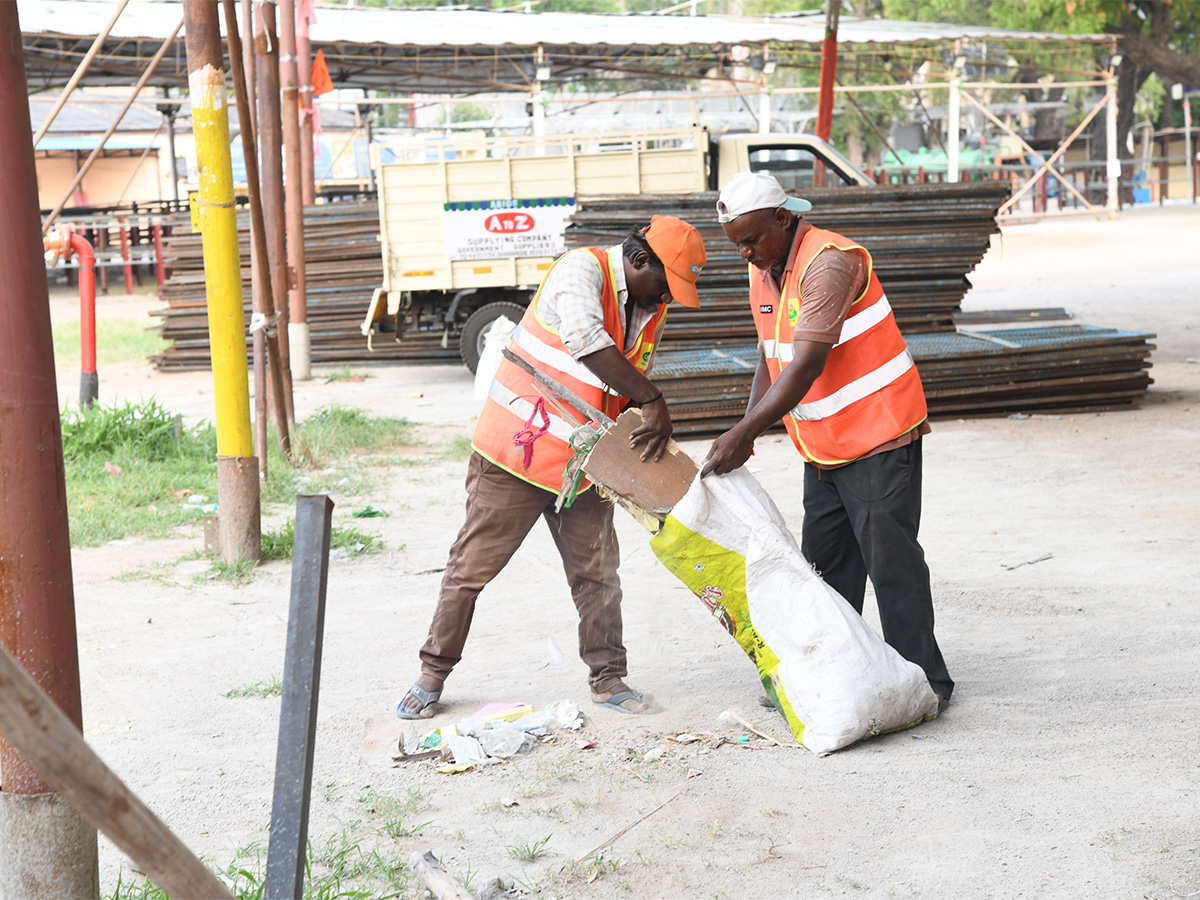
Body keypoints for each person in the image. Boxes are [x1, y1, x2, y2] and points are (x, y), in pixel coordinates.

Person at [398, 216, 707, 719]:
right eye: (667, 285)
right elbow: (586, 340)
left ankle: (609, 679)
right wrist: (653, 399)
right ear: (640, 260)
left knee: (598, 574)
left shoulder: (651, 308)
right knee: (469, 571)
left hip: (584, 464)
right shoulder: (579, 271)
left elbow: (621, 387)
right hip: (516, 455)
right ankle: (432, 675)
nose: (668, 298)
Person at [700, 172, 953, 710]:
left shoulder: (829, 263)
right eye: (736, 244)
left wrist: (744, 432)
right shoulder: (765, 267)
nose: (744, 253)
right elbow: (773, 357)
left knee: (892, 563)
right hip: (824, 446)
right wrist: (747, 431)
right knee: (825, 566)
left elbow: (807, 362)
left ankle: (925, 681)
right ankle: (832, 671)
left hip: (879, 434)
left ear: (783, 219)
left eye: (750, 240)